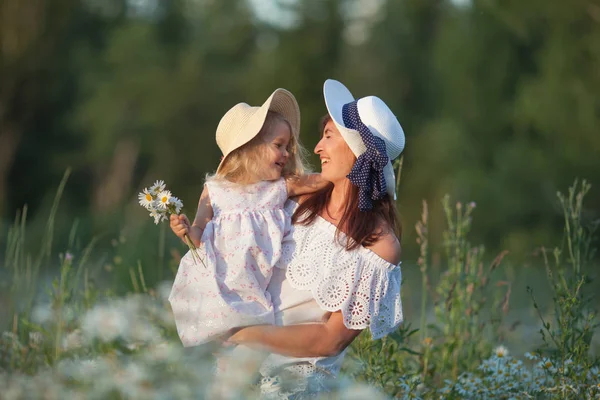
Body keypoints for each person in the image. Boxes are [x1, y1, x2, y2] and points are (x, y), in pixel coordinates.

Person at [226, 79, 406, 398]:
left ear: (357, 151)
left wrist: (249, 334)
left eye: (327, 136)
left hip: (296, 378)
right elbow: (227, 198)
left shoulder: (380, 246)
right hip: (241, 357)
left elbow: (330, 340)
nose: (318, 147)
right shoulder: (300, 197)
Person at [168, 88, 325, 348]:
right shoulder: (215, 190)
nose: (286, 154)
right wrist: (184, 229)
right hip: (218, 286)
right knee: (221, 348)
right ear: (249, 148)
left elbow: (320, 181)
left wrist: (353, 169)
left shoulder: (280, 187)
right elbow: (198, 235)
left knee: (249, 348)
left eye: (287, 147)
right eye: (279, 145)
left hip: (255, 292)